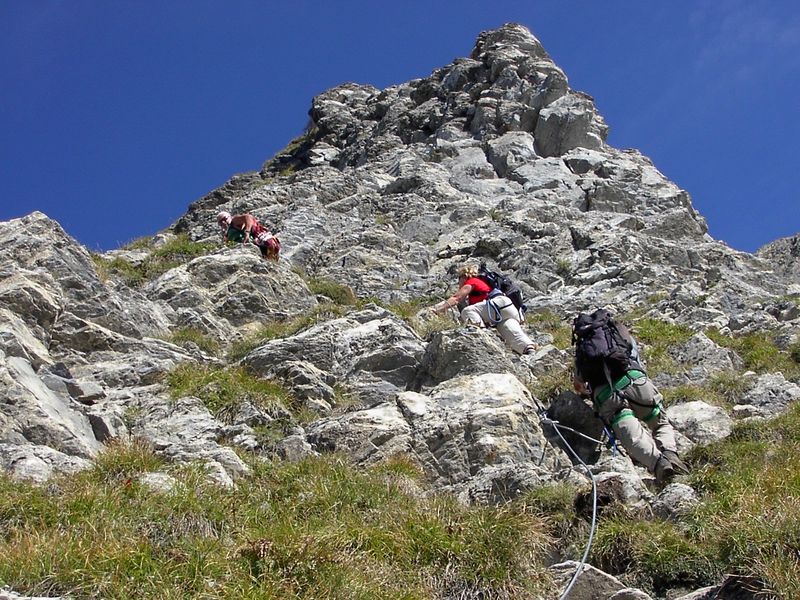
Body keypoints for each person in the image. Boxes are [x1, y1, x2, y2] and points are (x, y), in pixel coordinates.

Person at [572, 310, 689, 484]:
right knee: (659, 422)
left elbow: (579, 386)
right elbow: (635, 358)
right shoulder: (619, 332)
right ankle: (670, 454)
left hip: (608, 397)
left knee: (633, 438)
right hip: (638, 382)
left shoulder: (583, 350)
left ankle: (659, 465)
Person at [431, 264, 536, 355]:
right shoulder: (484, 284)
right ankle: (528, 349)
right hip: (508, 308)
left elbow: (456, 298)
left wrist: (438, 310)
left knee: (467, 311)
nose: (459, 283)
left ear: (464, 277)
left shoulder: (472, 281)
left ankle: (480, 335)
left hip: (496, 304)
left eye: (459, 279)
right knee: (510, 330)